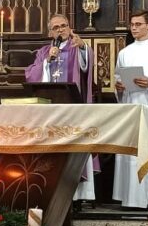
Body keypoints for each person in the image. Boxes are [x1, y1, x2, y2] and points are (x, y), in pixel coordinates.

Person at [24, 14, 97, 201]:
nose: (60, 30)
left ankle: (80, 196)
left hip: (73, 109)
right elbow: (31, 75)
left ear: (70, 27)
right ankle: (52, 191)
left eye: (64, 26)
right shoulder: (44, 52)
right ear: (50, 31)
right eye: (56, 27)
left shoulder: (77, 47)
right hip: (50, 111)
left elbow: (87, 64)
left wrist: (82, 47)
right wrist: (47, 61)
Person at [112, 11, 148, 209]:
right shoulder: (124, 52)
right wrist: (118, 86)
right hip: (130, 106)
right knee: (131, 151)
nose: (134, 28)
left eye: (138, 24)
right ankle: (130, 198)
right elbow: (118, 78)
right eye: (132, 24)